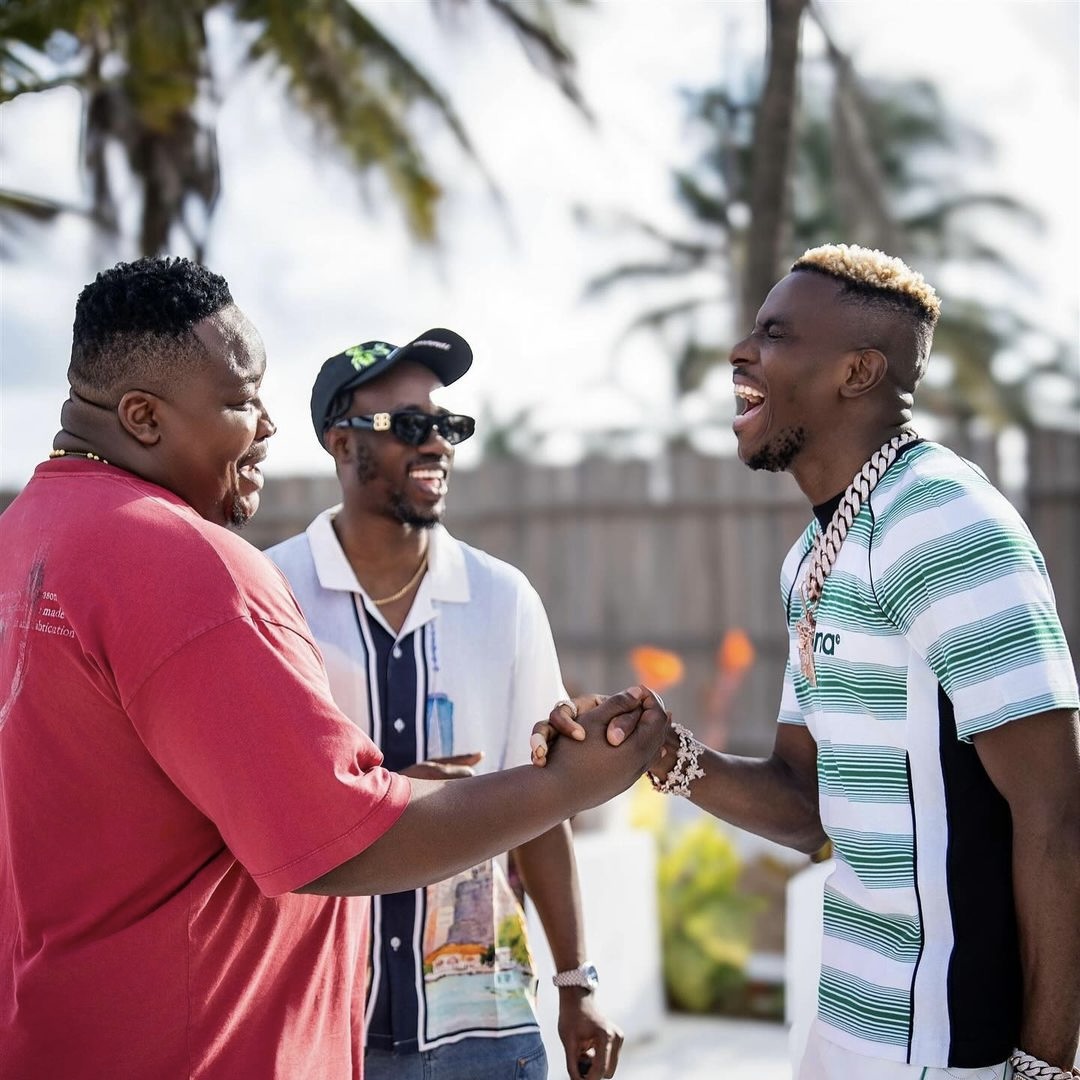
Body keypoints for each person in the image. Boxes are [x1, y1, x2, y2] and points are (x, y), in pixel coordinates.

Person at [0, 256, 667, 1080]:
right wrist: (576, 780)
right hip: (201, 1049)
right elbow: (340, 841)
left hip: (80, 1027)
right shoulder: (202, 571)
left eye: (445, 421)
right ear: (141, 416)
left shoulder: (24, 539)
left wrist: (574, 978)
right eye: (242, 401)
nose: (265, 426)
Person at [538, 244, 1080, 1080]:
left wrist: (1046, 1066)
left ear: (857, 371)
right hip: (846, 1029)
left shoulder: (943, 518)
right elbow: (806, 807)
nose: (739, 354)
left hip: (954, 1049)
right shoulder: (813, 558)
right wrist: (660, 752)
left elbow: (1057, 816)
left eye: (776, 335)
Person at [266, 331, 622, 1080]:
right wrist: (399, 797)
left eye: (446, 425)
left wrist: (575, 982)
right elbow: (256, 809)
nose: (436, 444)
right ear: (340, 444)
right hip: (321, 1024)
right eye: (407, 425)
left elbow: (543, 804)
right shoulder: (272, 594)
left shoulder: (503, 599)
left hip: (487, 1028)